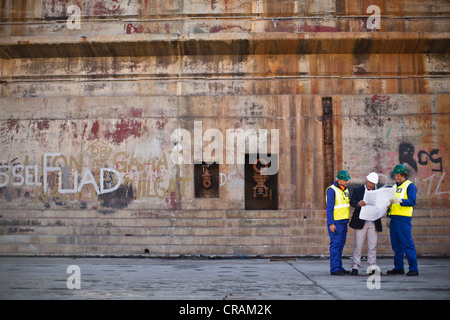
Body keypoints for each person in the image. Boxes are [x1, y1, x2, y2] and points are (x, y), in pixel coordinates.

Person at [386, 164, 419, 276]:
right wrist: (388, 212)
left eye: (399, 175)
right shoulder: (394, 187)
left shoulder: (410, 186)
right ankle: (398, 267)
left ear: (404, 175)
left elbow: (412, 201)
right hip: (394, 218)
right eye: (396, 175)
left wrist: (400, 201)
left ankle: (413, 268)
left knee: (407, 243)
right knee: (396, 245)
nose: (397, 177)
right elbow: (391, 202)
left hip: (403, 219)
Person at [349, 172, 382, 275]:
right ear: (366, 180)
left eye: (373, 183)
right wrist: (359, 203)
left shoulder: (377, 193)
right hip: (361, 221)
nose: (370, 185)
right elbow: (352, 201)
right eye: (370, 182)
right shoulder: (358, 190)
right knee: (358, 244)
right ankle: (355, 265)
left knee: (372, 245)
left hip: (373, 221)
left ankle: (372, 266)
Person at [326, 170, 351, 275]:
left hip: (344, 221)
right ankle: (334, 268)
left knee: (340, 245)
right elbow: (329, 208)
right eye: (345, 180)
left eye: (347, 180)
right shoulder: (332, 190)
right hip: (336, 222)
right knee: (335, 245)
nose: (346, 182)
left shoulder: (345, 190)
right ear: (339, 179)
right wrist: (331, 223)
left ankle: (339, 266)